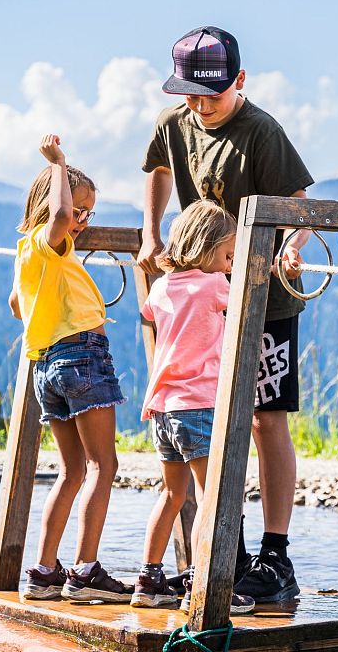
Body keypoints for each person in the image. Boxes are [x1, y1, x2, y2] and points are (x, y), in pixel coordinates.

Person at [138, 26, 313, 602]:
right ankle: (225, 555)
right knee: (210, 424)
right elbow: (158, 169)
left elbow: (301, 207)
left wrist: (290, 244)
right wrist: (151, 231)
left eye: (211, 94)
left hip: (267, 302)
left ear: (239, 81)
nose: (200, 105)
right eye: (190, 94)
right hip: (208, 299)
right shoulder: (174, 123)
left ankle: (275, 556)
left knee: (265, 421)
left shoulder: (261, 132)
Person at [10, 133, 131, 603]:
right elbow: (57, 218)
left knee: (73, 470)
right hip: (81, 356)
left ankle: (43, 572)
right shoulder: (49, 239)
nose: (80, 222)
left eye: (87, 213)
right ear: (51, 204)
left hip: (47, 366)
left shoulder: (27, 254)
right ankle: (85, 572)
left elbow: (17, 305)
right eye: (77, 211)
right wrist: (60, 163)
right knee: (105, 464)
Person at [130, 200, 254, 614]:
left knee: (171, 493)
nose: (229, 263)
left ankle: (149, 579)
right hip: (198, 406)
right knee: (211, 497)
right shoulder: (215, 284)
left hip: (163, 409)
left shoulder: (163, 287)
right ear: (207, 247)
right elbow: (249, 290)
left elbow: (148, 312)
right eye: (227, 255)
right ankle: (203, 583)